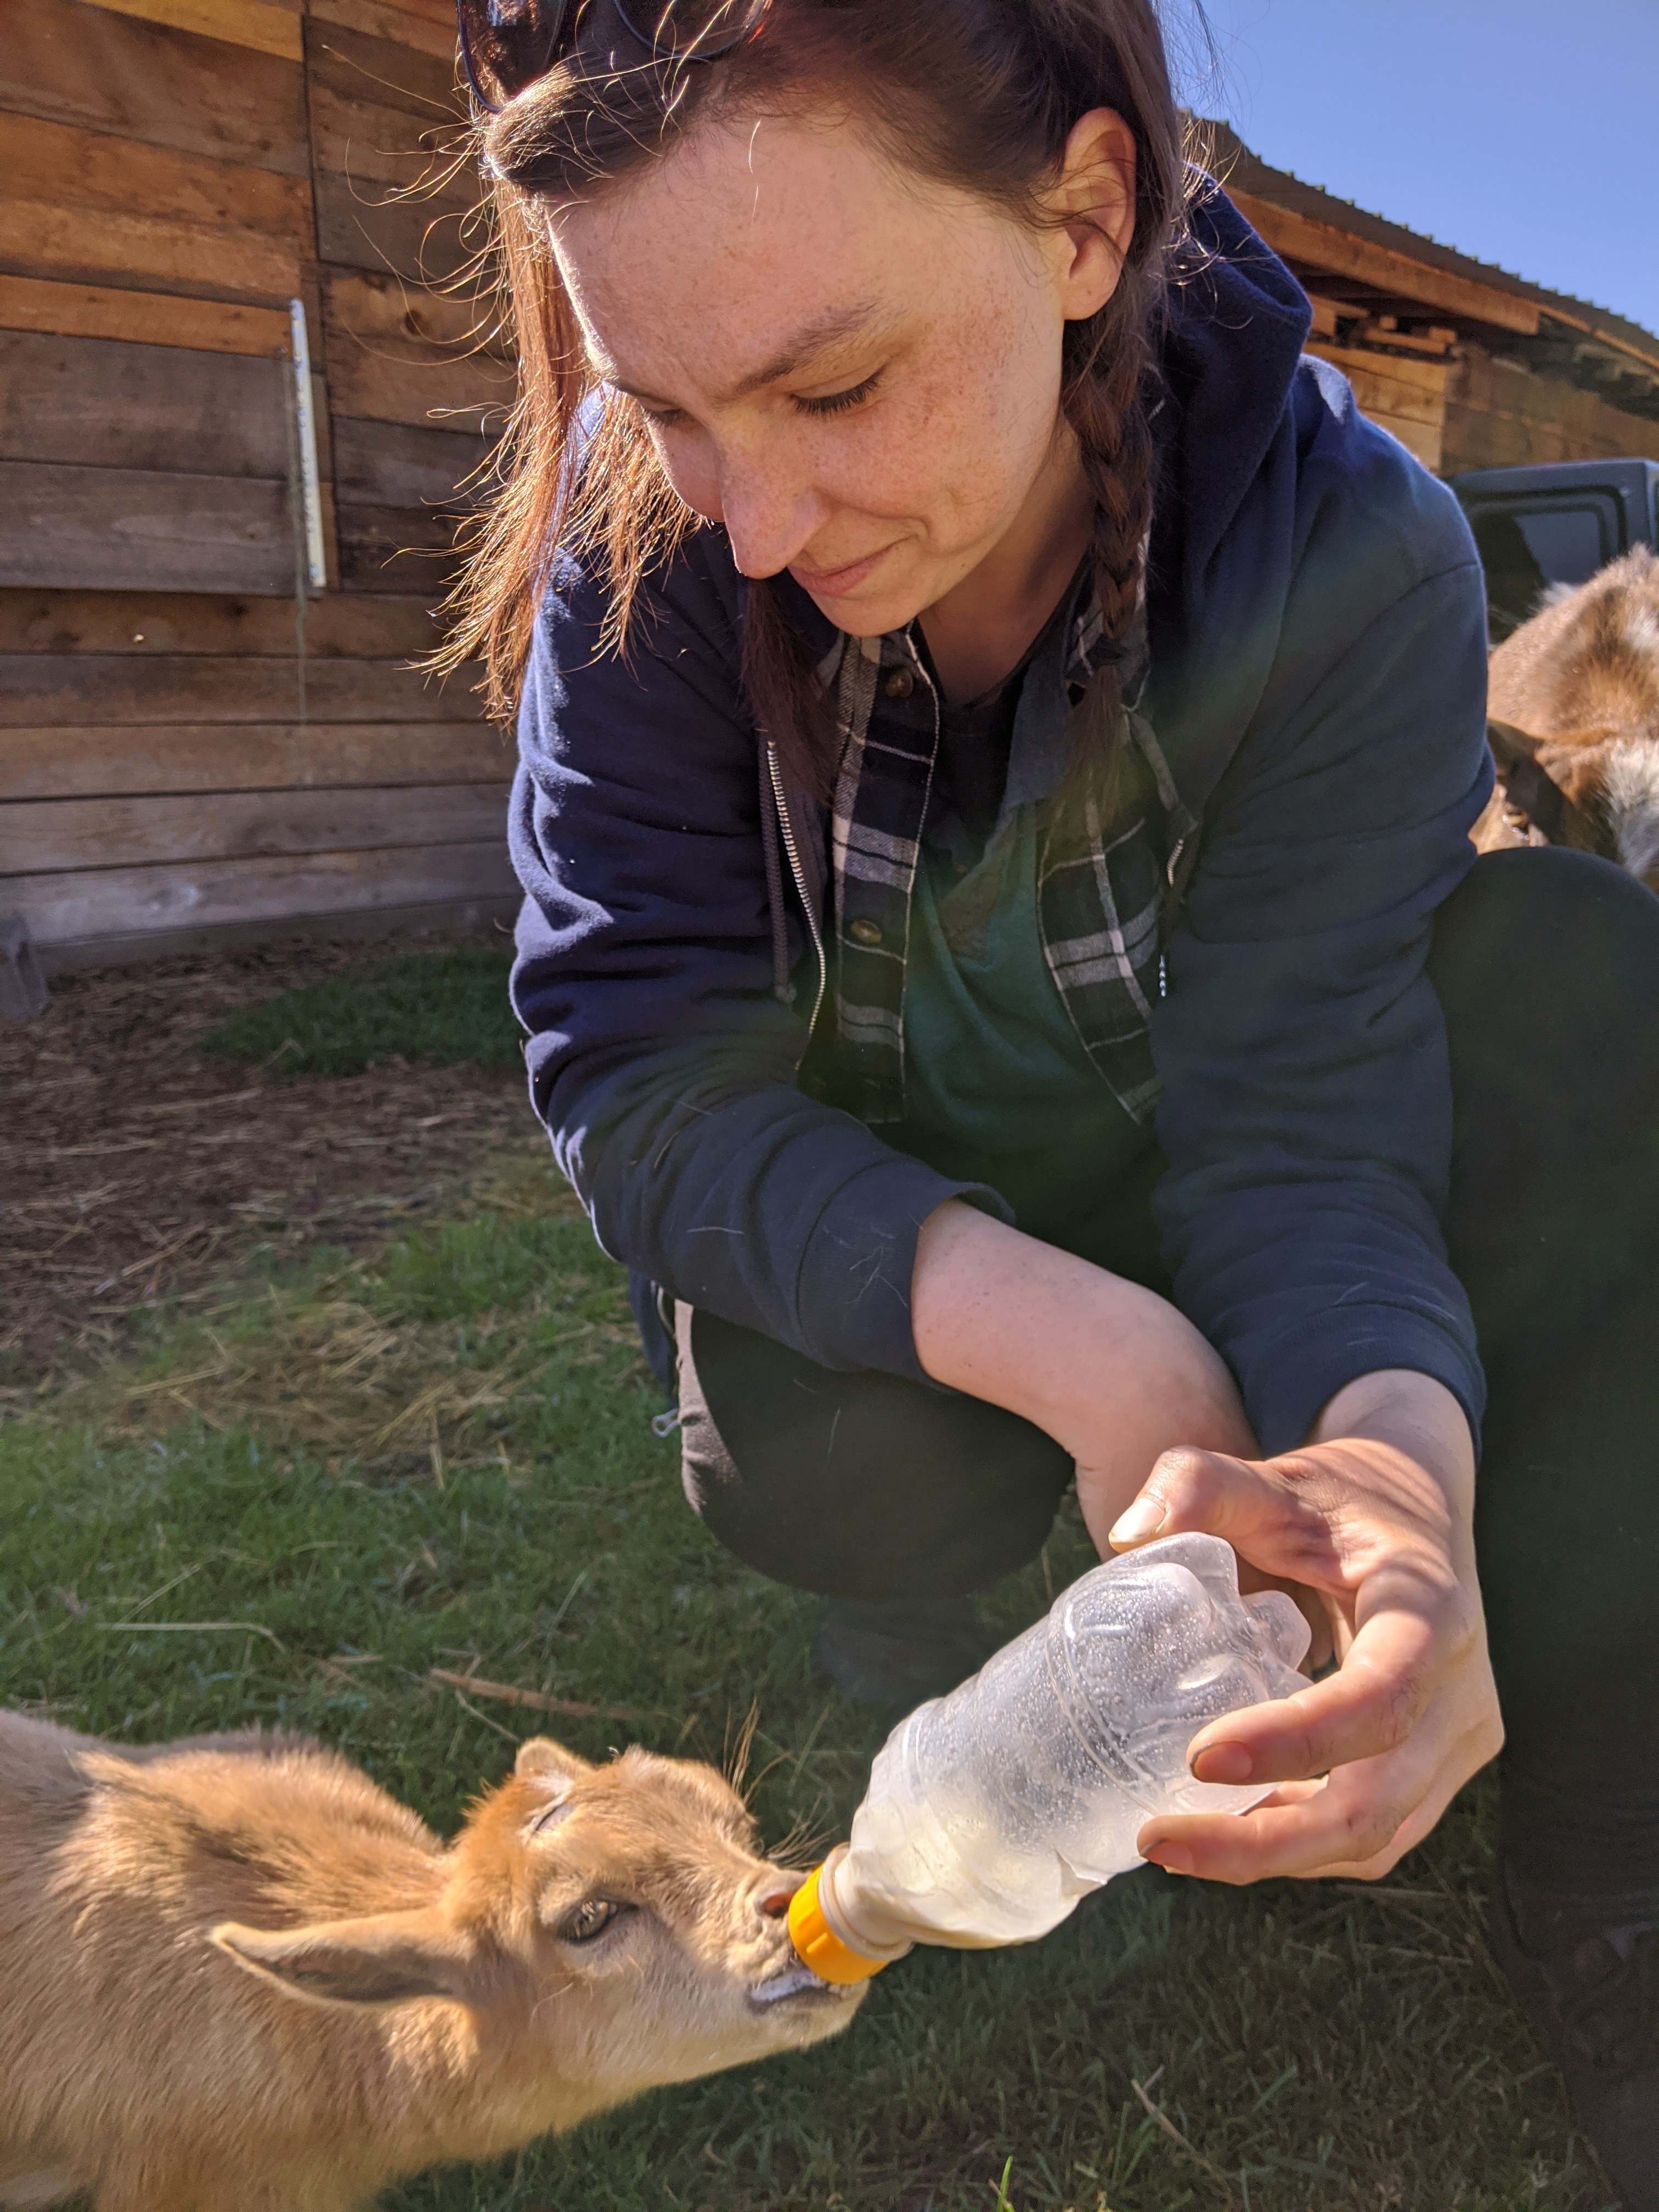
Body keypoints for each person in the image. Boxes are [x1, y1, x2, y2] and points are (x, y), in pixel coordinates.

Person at [449, 2, 1659, 2197]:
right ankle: (928, 1575)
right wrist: (1094, 1354)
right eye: (669, 409)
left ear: (1087, 217)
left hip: (1197, 1159)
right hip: (942, 1212)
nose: (751, 524)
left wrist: (1388, 1460)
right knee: (810, 1447)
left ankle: (1609, 1856)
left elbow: (1306, 1112)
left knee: (1583, 975)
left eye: (835, 386)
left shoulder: (1355, 551)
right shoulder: (647, 551)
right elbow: (635, 1065)